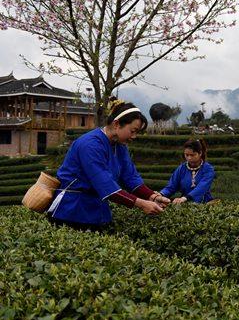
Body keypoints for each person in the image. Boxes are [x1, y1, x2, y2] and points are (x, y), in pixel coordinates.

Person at [48, 98, 170, 230]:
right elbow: (106, 186)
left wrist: (152, 196)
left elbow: (130, 177)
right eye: (133, 131)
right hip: (71, 211)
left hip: (97, 211)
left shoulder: (120, 146)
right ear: (117, 124)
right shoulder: (90, 145)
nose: (134, 136)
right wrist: (141, 204)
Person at [160, 139, 217, 204]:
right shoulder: (182, 168)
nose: (189, 158)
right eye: (186, 155)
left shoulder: (208, 169)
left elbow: (202, 187)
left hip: (204, 204)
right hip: (185, 203)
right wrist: (161, 194)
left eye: (192, 155)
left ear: (200, 153)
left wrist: (186, 198)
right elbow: (171, 186)